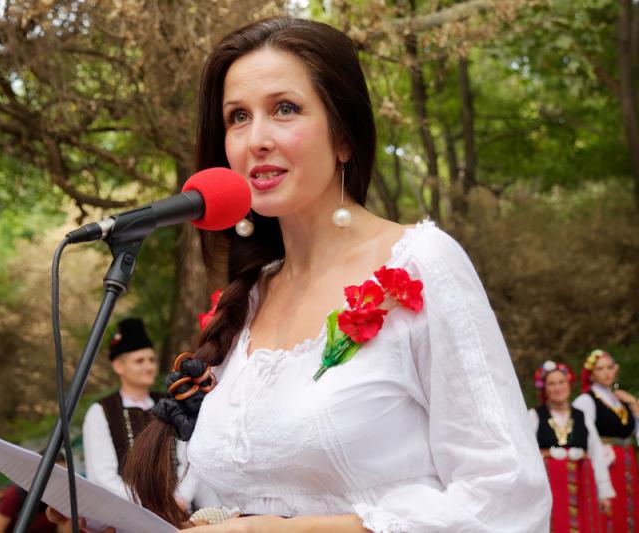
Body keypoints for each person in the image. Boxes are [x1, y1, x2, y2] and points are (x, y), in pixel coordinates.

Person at [53, 15, 551, 532]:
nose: (257, 139)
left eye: (285, 109)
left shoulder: (420, 263)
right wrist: (114, 518)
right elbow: (230, 505)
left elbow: (508, 499)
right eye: (238, 117)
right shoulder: (248, 300)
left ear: (344, 137)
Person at [82, 318, 196, 509]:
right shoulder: (101, 412)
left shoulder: (171, 403)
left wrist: (180, 499)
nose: (149, 367)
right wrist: (146, 505)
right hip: (128, 514)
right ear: (119, 366)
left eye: (152, 360)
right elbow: (102, 476)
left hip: (179, 508)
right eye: (139, 361)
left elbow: (190, 459)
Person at [529, 360, 614, 532]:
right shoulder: (534, 415)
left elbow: (596, 454)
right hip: (550, 488)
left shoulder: (582, 416)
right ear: (544, 388)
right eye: (551, 384)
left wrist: (604, 493)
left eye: (561, 382)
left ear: (569, 384)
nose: (557, 388)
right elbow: (526, 453)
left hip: (583, 485)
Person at [573, 349, 639, 532]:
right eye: (600, 369)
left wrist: (634, 405)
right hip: (606, 463)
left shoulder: (621, 399)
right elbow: (582, 437)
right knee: (610, 510)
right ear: (591, 375)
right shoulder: (586, 401)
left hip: (627, 463)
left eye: (609, 367)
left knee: (629, 509)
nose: (607, 372)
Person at [0, 452, 66, 533]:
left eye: (63, 475)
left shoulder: (62, 497)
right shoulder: (14, 495)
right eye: (53, 475)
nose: (58, 481)